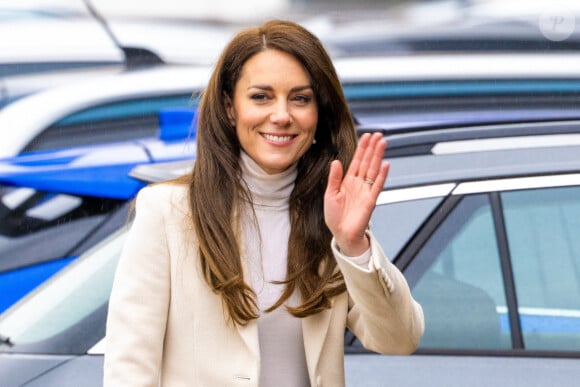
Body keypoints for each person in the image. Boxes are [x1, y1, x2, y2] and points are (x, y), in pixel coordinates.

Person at [103, 19, 424, 387]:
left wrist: (354, 245)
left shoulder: (332, 215)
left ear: (319, 112)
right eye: (261, 97)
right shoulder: (168, 211)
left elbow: (400, 339)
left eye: (300, 98)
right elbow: (129, 369)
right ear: (229, 107)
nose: (282, 115)